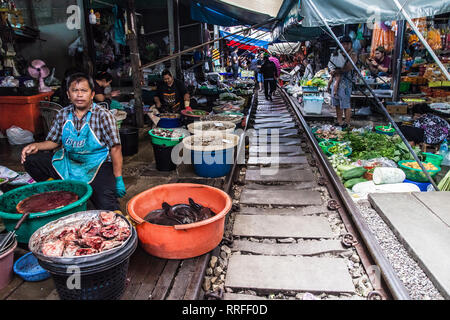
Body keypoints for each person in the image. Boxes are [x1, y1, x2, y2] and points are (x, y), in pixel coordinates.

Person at [21, 73, 125, 211]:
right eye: (75, 91)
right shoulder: (63, 114)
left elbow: (115, 148)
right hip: (68, 162)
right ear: (68, 95)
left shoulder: (103, 115)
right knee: (30, 159)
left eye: (84, 90)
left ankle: (92, 194)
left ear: (92, 94)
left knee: (107, 207)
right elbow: (54, 142)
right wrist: (36, 146)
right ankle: (60, 190)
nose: (79, 95)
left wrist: (118, 178)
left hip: (97, 165)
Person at [330, 36, 358, 128]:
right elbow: (330, 64)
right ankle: (339, 121)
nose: (345, 46)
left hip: (346, 82)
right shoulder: (337, 53)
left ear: (350, 44)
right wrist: (331, 70)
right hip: (336, 80)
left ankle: (347, 123)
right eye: (343, 44)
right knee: (337, 102)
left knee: (346, 103)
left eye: (347, 44)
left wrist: (338, 71)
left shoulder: (353, 54)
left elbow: (349, 67)